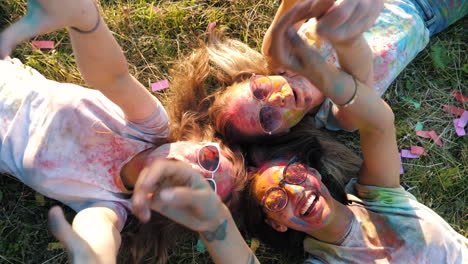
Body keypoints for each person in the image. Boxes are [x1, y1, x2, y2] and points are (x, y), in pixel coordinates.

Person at [121, 1, 465, 263]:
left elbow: (379, 121)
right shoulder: (340, 240)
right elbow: (373, 113)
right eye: (276, 201)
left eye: (295, 175)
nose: (296, 192)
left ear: (313, 172)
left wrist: (300, 48)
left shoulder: (380, 198)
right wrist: (212, 222)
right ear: (276, 224)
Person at [0, 0, 246, 263]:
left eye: (201, 190)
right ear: (195, 139)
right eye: (208, 158)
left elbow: (98, 229)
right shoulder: (149, 126)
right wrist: (86, 21)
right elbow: (112, 77)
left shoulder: (112, 204)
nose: (192, 172)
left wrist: (94, 256)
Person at [169, 0, 467, 141]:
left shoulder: (279, 57)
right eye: (268, 118)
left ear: (256, 78)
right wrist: (345, 38)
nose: (275, 100)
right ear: (283, 133)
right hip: (429, 10)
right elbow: (359, 78)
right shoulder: (336, 116)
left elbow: (293, 6)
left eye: (259, 92)